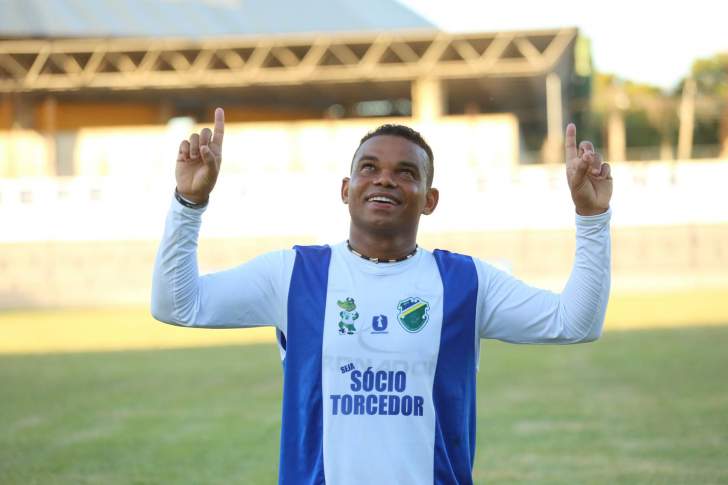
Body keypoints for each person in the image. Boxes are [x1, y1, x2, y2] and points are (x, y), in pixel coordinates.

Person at [151, 107, 612, 485]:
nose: (384, 180)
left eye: (405, 172)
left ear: (429, 199)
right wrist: (189, 203)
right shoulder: (294, 274)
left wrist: (591, 217)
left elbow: (575, 322)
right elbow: (178, 305)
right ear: (346, 189)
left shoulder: (466, 283)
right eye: (369, 168)